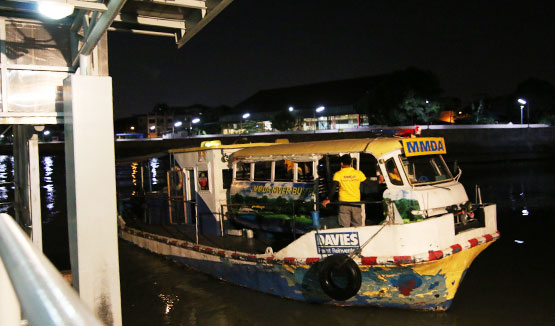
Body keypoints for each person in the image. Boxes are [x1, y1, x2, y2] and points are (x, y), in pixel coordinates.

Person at [322, 154, 376, 227]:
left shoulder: (338, 174)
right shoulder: (358, 173)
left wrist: (328, 199)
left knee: (344, 227)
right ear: (351, 163)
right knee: (357, 226)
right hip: (356, 203)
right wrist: (379, 181)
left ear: (341, 163)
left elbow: (333, 188)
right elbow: (369, 184)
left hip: (343, 203)